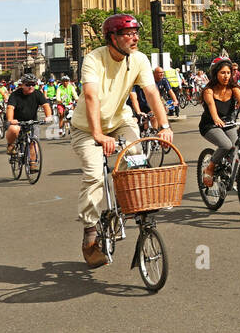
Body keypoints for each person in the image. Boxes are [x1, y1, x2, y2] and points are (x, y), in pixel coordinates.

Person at [70, 14, 172, 267]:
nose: (135, 38)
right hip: (86, 127)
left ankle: (131, 207)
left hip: (120, 121)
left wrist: (164, 126)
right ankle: (90, 232)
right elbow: (91, 96)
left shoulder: (139, 59)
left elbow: (151, 92)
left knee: (136, 158)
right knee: (94, 175)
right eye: (128, 34)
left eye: (136, 32)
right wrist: (97, 134)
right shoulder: (94, 59)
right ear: (112, 38)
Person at [198, 58, 240, 195]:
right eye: (223, 72)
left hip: (228, 122)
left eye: (228, 73)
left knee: (237, 152)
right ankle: (210, 167)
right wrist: (216, 118)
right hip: (210, 125)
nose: (226, 76)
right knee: (226, 145)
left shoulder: (233, 88)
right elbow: (211, 106)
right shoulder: (208, 90)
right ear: (216, 73)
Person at [5, 75, 52, 158]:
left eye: (33, 84)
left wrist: (48, 116)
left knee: (34, 142)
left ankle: (33, 163)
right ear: (22, 85)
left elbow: (45, 105)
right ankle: (11, 145)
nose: (31, 87)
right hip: (17, 122)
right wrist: (11, 120)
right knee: (13, 129)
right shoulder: (15, 95)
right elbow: (10, 108)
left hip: (32, 121)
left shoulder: (38, 93)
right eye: (28, 85)